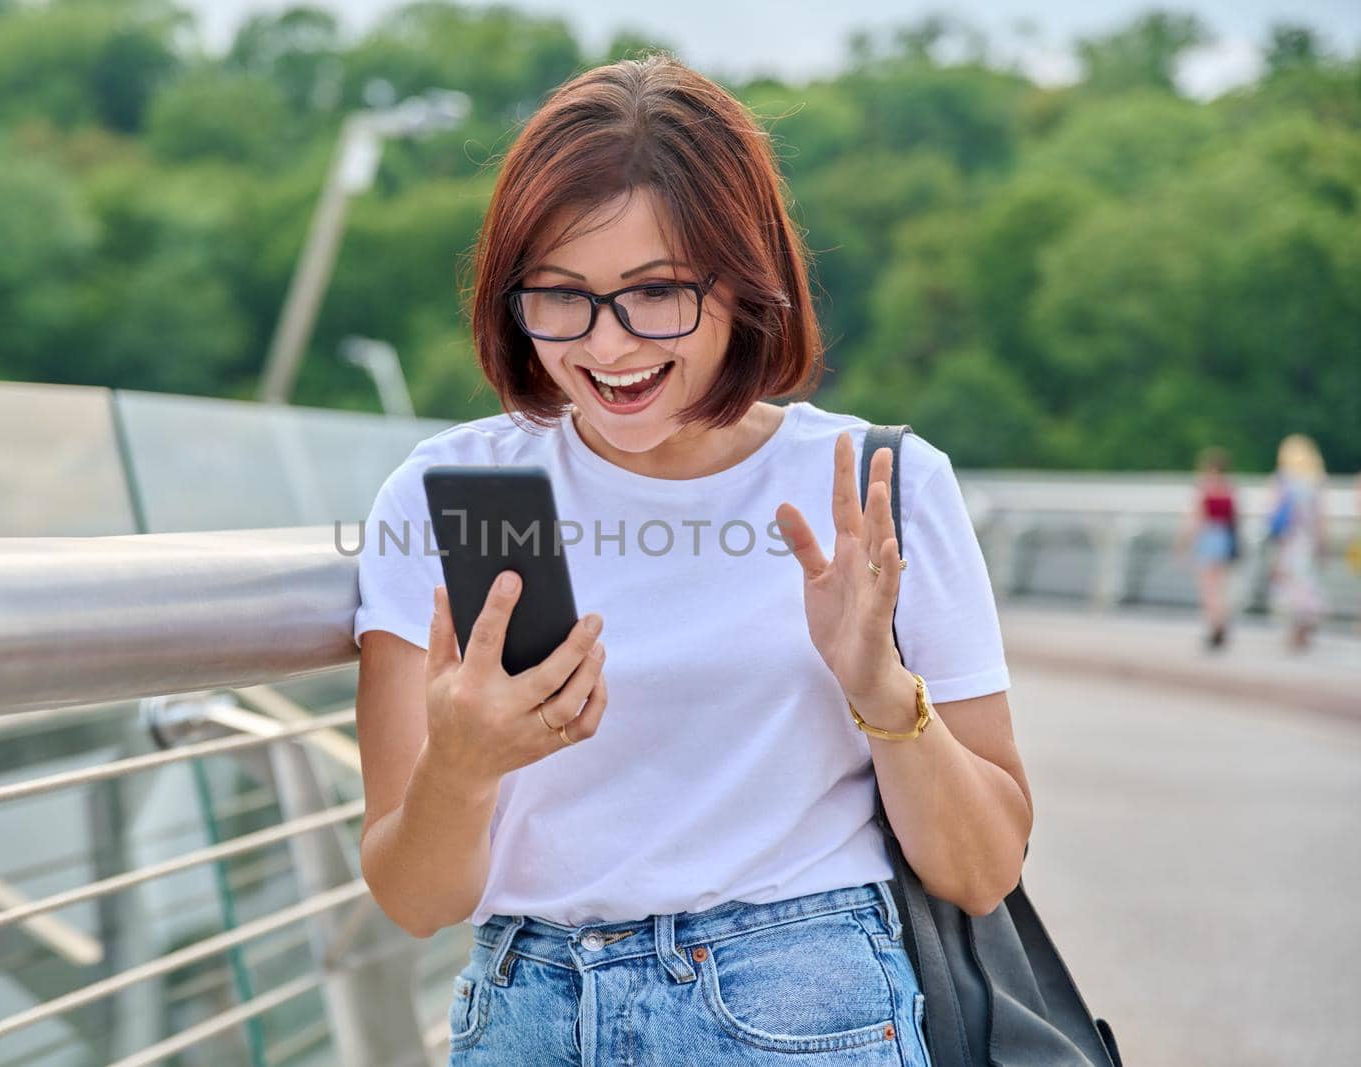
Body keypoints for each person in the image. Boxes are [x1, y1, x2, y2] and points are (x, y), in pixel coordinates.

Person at [351, 55, 1030, 1066]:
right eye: (561, 297)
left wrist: (882, 693)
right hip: (527, 1010)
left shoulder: (872, 484)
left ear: (744, 281)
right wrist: (462, 764)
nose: (606, 343)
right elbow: (415, 899)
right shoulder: (460, 497)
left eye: (655, 292)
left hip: (799, 1004)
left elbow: (982, 871)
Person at [1266, 433, 1327, 651]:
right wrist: (1322, 545)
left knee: (1287, 584)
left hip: (1288, 541)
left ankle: (1293, 629)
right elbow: (1320, 518)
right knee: (1307, 583)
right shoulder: (1315, 480)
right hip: (1307, 542)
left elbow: (1274, 514)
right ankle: (1306, 623)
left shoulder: (1282, 480)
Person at [1175, 446, 1239, 650]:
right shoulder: (1230, 489)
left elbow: (1196, 520)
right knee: (1221, 587)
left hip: (1208, 538)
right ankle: (1221, 623)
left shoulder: (1204, 489)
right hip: (1225, 538)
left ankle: (1214, 626)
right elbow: (1235, 520)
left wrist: (1182, 543)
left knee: (1208, 588)